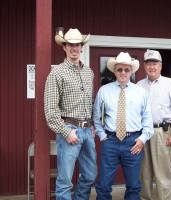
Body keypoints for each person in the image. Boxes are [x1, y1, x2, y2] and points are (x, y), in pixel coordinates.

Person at [44, 28, 97, 200]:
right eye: (70, 45)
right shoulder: (56, 73)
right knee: (65, 180)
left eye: (77, 44)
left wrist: (92, 125)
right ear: (64, 47)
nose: (74, 48)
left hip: (87, 131)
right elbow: (51, 111)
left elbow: (90, 102)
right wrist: (66, 133)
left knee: (90, 175)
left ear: (82, 46)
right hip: (69, 129)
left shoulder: (89, 73)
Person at [93, 52, 154, 200]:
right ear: (114, 71)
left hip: (133, 142)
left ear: (131, 71)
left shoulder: (141, 92)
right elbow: (96, 117)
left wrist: (141, 140)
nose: (123, 73)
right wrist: (102, 136)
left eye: (127, 70)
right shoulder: (104, 91)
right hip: (110, 141)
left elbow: (147, 120)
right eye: (119, 69)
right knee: (104, 185)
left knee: (133, 185)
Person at [137, 50, 171, 200]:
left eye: (155, 63)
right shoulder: (139, 85)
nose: (152, 67)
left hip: (162, 132)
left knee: (163, 174)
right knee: (144, 173)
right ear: (144, 66)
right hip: (143, 133)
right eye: (149, 64)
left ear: (160, 65)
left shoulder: (170, 84)